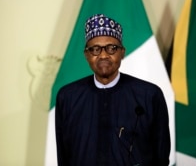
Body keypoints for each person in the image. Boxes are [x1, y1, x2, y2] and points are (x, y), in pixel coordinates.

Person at [55, 14, 171, 166]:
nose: (103, 55)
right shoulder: (68, 97)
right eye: (95, 49)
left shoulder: (149, 95)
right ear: (86, 55)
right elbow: (63, 156)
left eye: (111, 48)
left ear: (122, 52)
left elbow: (161, 156)